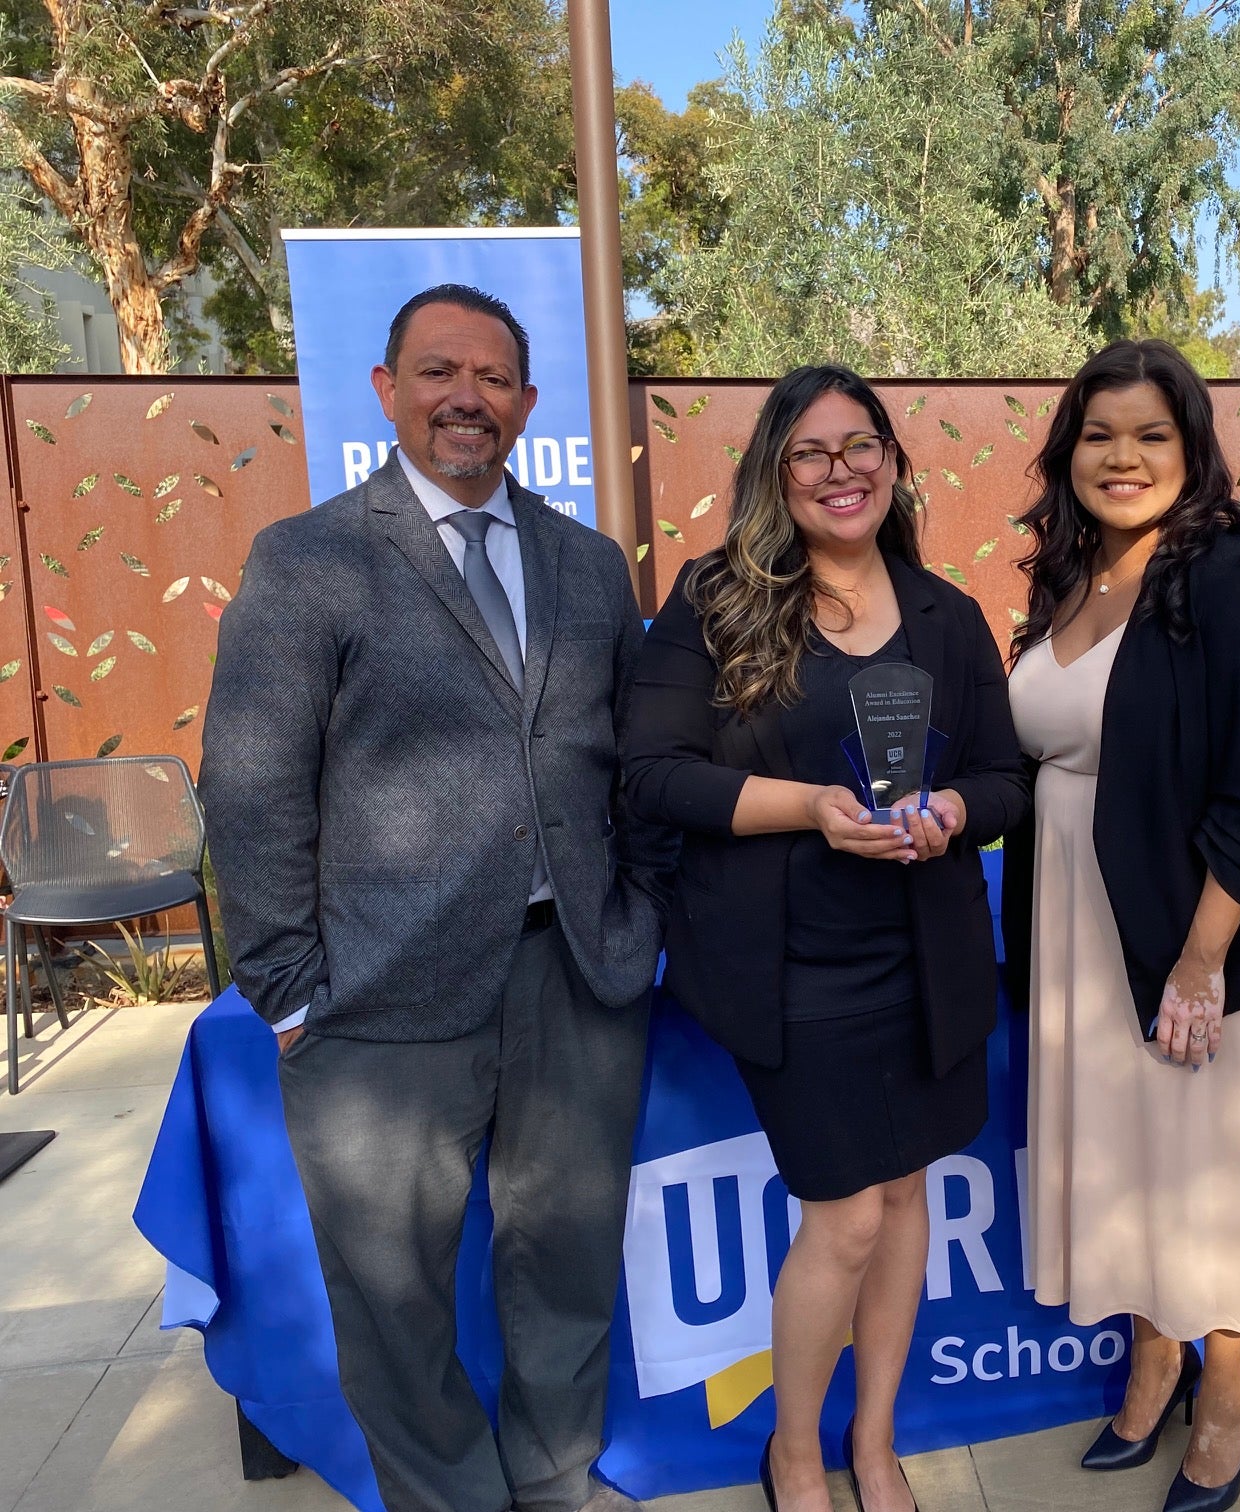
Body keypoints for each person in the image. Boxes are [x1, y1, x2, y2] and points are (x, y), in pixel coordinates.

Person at [201, 284, 666, 1512]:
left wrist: (642, 913)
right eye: (437, 372)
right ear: (388, 391)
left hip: (575, 972)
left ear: (526, 398)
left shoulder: (588, 565)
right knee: (393, 1294)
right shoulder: (308, 562)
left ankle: (555, 1480)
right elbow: (249, 787)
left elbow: (635, 760)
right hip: (382, 995)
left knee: (565, 1261)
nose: (467, 397)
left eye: (492, 378)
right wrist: (289, 987)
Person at [624, 365, 1027, 1512]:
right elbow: (654, 779)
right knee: (847, 1213)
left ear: (894, 464)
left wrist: (954, 814)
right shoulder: (714, 600)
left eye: (862, 447)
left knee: (908, 1201)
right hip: (792, 967)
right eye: (812, 451)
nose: (841, 470)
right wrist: (813, 809)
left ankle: (875, 1442)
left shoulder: (948, 616)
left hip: (925, 959)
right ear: (775, 472)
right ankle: (794, 1451)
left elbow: (1004, 780)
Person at [1002, 340, 1240, 1512]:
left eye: (1151, 435)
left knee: (1203, 1167)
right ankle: (1153, 1356)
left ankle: (1227, 1389)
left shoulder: (1226, 575)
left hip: (1192, 927)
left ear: (1191, 453)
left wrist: (1201, 959)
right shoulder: (1068, 574)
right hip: (1076, 923)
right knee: (1130, 1167)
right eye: (1100, 435)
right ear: (1068, 452)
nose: (1122, 457)